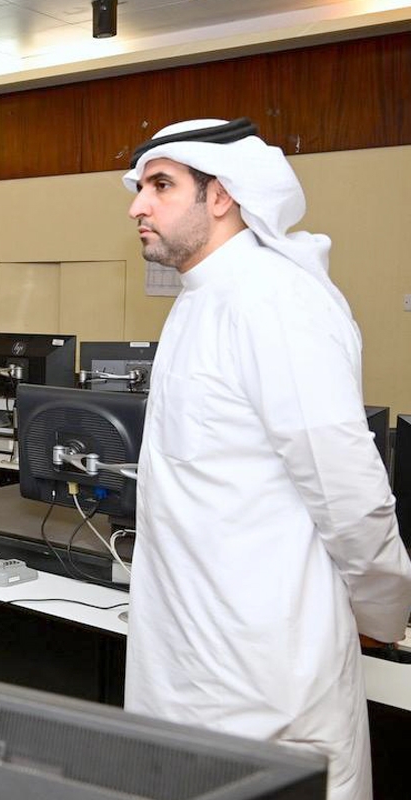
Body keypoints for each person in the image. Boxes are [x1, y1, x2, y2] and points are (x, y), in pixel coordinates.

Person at [122, 117, 411, 800]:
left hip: (268, 663)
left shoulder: (277, 299)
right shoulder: (200, 299)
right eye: (139, 189)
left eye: (161, 185)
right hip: (184, 650)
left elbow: (348, 490)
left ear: (222, 195)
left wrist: (381, 613)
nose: (137, 206)